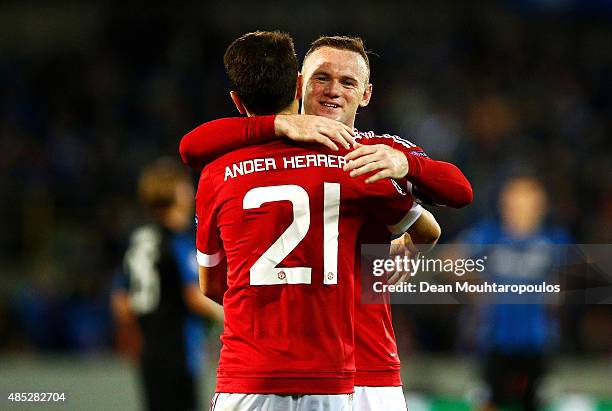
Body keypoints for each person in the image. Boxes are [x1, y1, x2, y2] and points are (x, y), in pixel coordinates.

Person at [180, 35, 471, 410]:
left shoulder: (373, 152)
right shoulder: (342, 162)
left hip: (367, 366)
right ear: (300, 82)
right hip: (324, 375)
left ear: (366, 94)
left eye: (348, 82)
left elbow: (460, 191)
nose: (333, 90)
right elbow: (190, 147)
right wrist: (279, 126)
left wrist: (408, 165)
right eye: (322, 78)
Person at [110, 158, 223, 411]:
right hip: (180, 351)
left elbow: (121, 303)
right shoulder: (177, 242)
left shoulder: (138, 240)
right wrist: (230, 316)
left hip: (149, 352)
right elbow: (193, 295)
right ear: (175, 194)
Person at [458, 172, 569, 411]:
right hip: (496, 338)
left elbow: (576, 272)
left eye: (528, 202)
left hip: (537, 340)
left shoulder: (553, 240)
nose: (520, 209)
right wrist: (476, 287)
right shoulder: (490, 236)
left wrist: (557, 291)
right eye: (514, 202)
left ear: (540, 206)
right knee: (490, 399)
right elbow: (452, 259)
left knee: (535, 400)